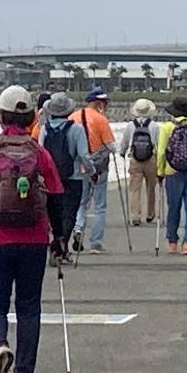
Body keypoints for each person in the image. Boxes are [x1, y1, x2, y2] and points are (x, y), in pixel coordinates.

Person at [0, 85, 65, 373]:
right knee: (29, 304)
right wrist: (58, 236)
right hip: (34, 237)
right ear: (33, 117)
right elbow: (57, 197)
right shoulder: (39, 152)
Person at [39, 93, 89, 264]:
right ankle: (61, 248)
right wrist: (92, 171)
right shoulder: (77, 129)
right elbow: (83, 155)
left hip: (49, 178)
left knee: (52, 213)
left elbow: (40, 154)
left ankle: (56, 246)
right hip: (72, 176)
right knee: (70, 214)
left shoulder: (44, 129)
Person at [154, 96, 187, 255]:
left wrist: (160, 172)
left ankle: (172, 242)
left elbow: (161, 152)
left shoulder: (167, 127)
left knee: (174, 207)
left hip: (173, 172)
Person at [70, 88, 117, 254]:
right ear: (99, 103)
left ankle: (77, 229)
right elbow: (111, 146)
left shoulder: (72, 117)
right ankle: (96, 242)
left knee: (80, 202)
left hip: (78, 165)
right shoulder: (101, 119)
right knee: (100, 205)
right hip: (99, 166)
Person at [124, 98, 161, 229]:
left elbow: (125, 143)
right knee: (151, 187)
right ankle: (150, 214)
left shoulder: (130, 125)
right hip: (151, 158)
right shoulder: (155, 126)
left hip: (135, 159)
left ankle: (135, 216)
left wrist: (123, 153)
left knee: (134, 188)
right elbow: (158, 144)